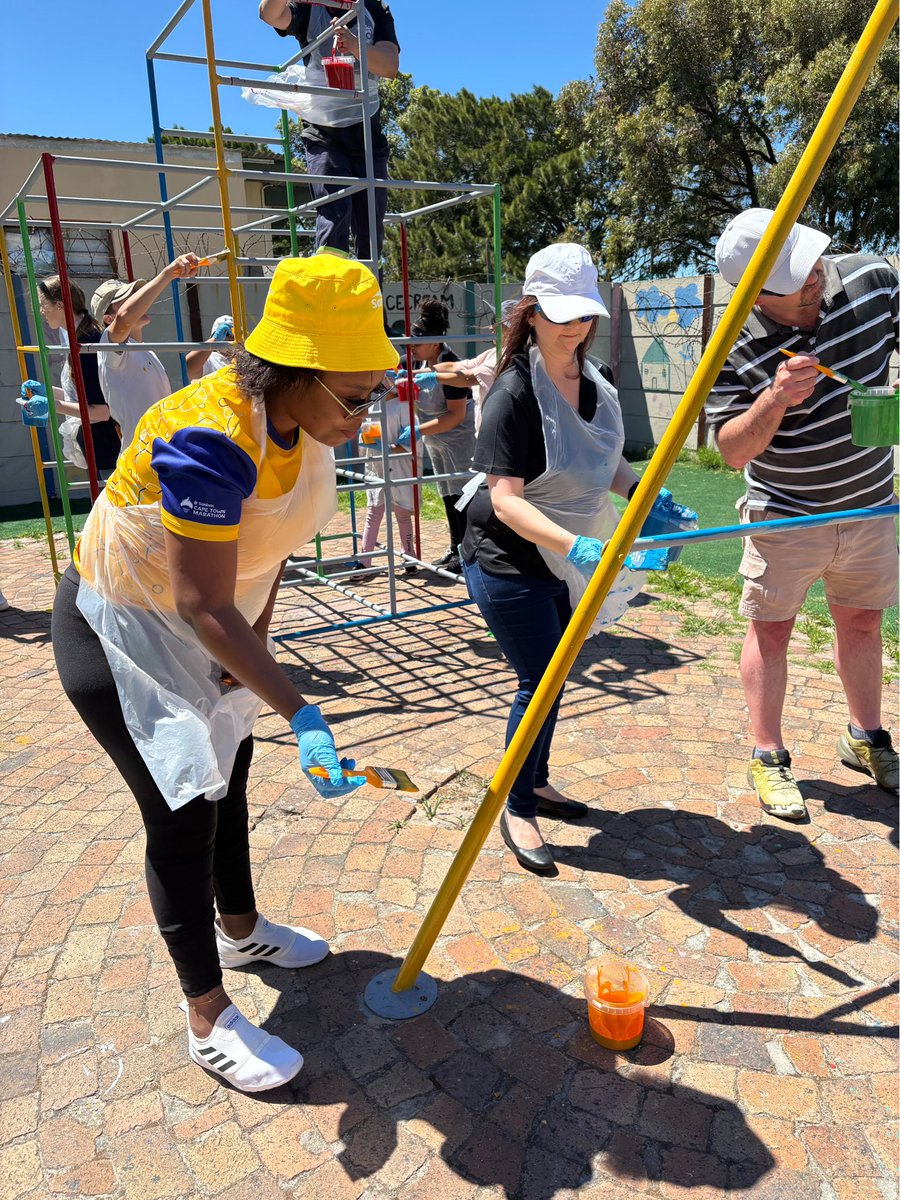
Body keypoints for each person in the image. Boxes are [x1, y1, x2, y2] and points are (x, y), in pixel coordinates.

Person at [51, 254, 399, 1092]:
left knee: (229, 779)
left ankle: (242, 931)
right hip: (120, 631)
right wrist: (301, 709)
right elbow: (206, 603)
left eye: (372, 396)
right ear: (292, 374)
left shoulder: (301, 424)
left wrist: (255, 665)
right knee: (182, 812)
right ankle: (206, 1015)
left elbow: (265, 551)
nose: (363, 416)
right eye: (354, 398)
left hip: (202, 623)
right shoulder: (210, 434)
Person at [460, 244, 691, 873]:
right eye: (560, 314)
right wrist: (584, 548)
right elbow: (506, 502)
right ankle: (516, 805)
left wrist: (645, 492)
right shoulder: (512, 393)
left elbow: (605, 460)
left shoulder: (597, 384)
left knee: (555, 673)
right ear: (530, 312)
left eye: (584, 315)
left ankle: (533, 781)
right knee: (539, 680)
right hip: (506, 558)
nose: (574, 327)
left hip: (560, 555)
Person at [705, 207, 899, 819]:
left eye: (810, 259)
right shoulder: (733, 340)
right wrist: (776, 399)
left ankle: (865, 738)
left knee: (864, 621)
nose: (814, 276)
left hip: (871, 500)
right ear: (753, 292)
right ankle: (769, 757)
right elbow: (731, 449)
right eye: (794, 277)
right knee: (773, 630)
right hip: (785, 511)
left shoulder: (871, 278)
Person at [259, 0, 399, 263]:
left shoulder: (375, 8)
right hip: (323, 132)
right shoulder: (311, 7)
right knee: (334, 216)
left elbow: (390, 67)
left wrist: (356, 46)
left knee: (370, 230)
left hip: (367, 133)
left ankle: (369, 301)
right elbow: (269, 14)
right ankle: (330, 295)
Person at [397, 298, 474, 576]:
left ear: (434, 343)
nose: (411, 347)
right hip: (436, 439)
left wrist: (418, 430)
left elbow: (455, 416)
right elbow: (396, 378)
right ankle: (455, 548)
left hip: (458, 440)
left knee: (462, 495)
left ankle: (467, 554)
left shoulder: (452, 366)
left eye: (416, 342)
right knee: (446, 493)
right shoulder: (416, 361)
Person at [92, 258, 196, 447]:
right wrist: (168, 274)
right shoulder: (109, 346)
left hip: (159, 451)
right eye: (128, 298)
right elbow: (124, 319)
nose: (137, 298)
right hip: (141, 456)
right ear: (108, 318)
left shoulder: (144, 350)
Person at [27, 276, 120, 471]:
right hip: (102, 445)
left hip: (108, 447)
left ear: (59, 305)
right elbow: (81, 396)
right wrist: (45, 393)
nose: (42, 311)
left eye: (44, 305)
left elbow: (102, 411)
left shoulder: (86, 344)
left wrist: (53, 406)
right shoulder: (80, 334)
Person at [423, 298, 518, 435]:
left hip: (499, 433)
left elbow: (469, 378)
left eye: (496, 322)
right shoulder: (494, 352)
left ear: (510, 328)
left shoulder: (509, 355)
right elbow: (458, 366)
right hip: (489, 431)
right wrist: (413, 372)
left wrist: (434, 377)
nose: (491, 327)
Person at [352, 385, 417, 576]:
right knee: (374, 512)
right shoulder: (374, 405)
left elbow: (410, 440)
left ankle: (409, 558)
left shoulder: (404, 405)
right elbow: (368, 434)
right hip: (376, 465)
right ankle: (364, 562)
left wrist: (389, 448)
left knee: (402, 513)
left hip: (398, 465)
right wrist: (371, 442)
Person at [186, 314, 235, 380]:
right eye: (226, 333)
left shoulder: (244, 359)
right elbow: (187, 368)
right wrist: (214, 340)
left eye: (234, 334)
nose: (231, 337)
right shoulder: (209, 359)